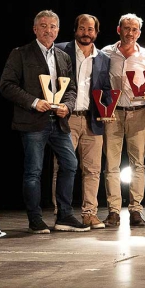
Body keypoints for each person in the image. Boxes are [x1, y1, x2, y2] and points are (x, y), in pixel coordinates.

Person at [0, 10, 88, 233]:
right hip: (32, 121)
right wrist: (34, 102)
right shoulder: (20, 53)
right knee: (34, 171)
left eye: (53, 26)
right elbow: (7, 85)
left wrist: (67, 106)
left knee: (70, 164)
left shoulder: (63, 56)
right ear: (35, 29)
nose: (48, 30)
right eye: (44, 26)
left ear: (58, 30)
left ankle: (65, 216)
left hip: (59, 122)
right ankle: (35, 219)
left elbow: (72, 88)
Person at [52, 13, 111, 229]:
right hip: (66, 119)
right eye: (82, 29)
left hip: (93, 119)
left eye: (91, 29)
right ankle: (62, 214)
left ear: (96, 32)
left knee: (93, 170)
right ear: (75, 29)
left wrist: (108, 105)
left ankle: (89, 214)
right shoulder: (60, 50)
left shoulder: (103, 58)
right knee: (63, 168)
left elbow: (105, 89)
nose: (86, 33)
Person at [100, 13, 145, 228]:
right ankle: (113, 211)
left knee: (138, 164)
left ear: (139, 33)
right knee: (112, 164)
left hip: (138, 113)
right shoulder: (106, 53)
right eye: (126, 28)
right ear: (118, 30)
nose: (130, 33)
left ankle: (136, 210)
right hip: (113, 114)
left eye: (134, 30)